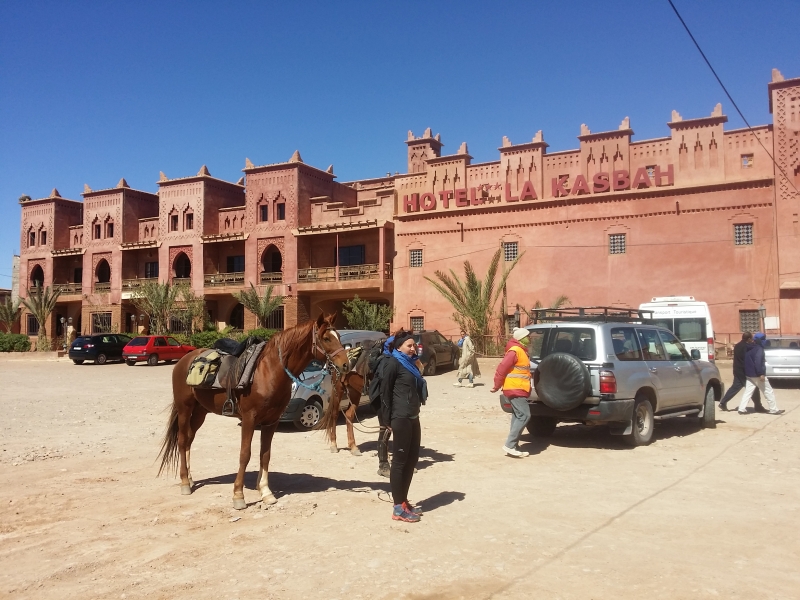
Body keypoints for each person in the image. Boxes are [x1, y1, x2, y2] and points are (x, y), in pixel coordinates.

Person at [379, 330, 426, 523]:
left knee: (411, 459)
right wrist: (386, 421)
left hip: (413, 416)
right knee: (399, 462)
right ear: (399, 347)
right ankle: (397, 508)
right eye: (409, 345)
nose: (413, 348)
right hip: (400, 417)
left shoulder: (411, 364)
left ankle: (403, 501)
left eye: (414, 345)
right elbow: (385, 393)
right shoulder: (393, 363)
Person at [491, 327, 532, 458]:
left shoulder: (521, 351)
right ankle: (509, 445)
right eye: (527, 336)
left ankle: (513, 445)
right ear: (521, 338)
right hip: (515, 388)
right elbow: (502, 368)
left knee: (517, 415)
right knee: (525, 415)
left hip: (518, 388)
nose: (529, 338)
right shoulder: (515, 351)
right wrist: (497, 385)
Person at [718, 332, 764, 412]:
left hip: (737, 370)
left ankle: (723, 402)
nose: (752, 340)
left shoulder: (738, 346)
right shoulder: (746, 347)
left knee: (735, 387)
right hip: (744, 371)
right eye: (751, 339)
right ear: (749, 339)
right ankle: (758, 406)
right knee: (753, 388)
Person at [739, 332, 782, 415]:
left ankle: (741, 408)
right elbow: (757, 361)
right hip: (757, 374)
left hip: (749, 374)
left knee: (748, 392)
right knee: (768, 391)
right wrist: (761, 373)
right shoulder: (759, 349)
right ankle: (774, 409)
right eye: (763, 339)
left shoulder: (748, 348)